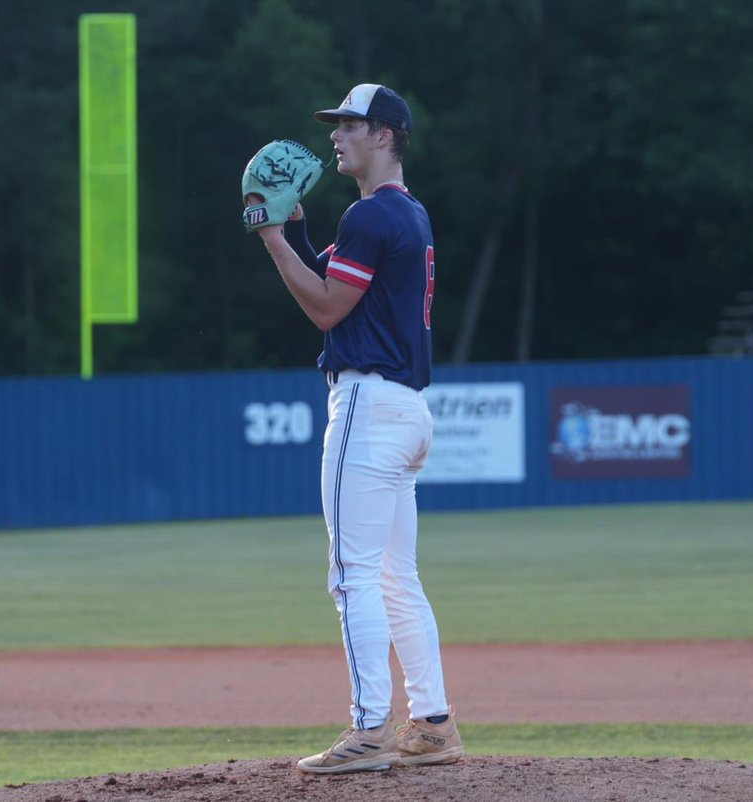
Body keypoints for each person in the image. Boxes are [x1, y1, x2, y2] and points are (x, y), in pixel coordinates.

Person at [248, 83, 464, 774]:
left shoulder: (371, 218)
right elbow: (344, 288)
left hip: (368, 407)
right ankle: (430, 724)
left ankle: (369, 729)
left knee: (353, 576)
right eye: (337, 125)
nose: (337, 135)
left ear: (386, 135)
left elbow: (325, 309)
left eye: (350, 125)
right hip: (406, 410)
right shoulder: (406, 214)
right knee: (398, 575)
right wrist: (305, 236)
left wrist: (272, 237)